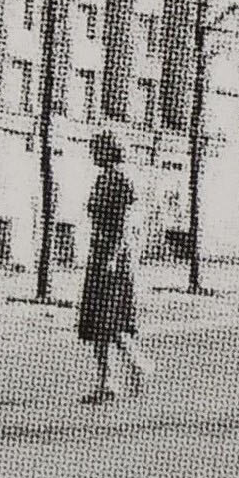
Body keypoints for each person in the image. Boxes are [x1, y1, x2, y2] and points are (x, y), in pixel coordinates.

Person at [76, 130, 154, 402]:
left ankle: (135, 366)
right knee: (99, 322)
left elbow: (123, 221)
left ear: (110, 150)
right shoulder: (104, 177)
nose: (92, 153)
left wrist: (113, 254)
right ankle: (109, 379)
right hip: (102, 252)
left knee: (111, 320)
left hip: (113, 257)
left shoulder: (120, 179)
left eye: (96, 148)